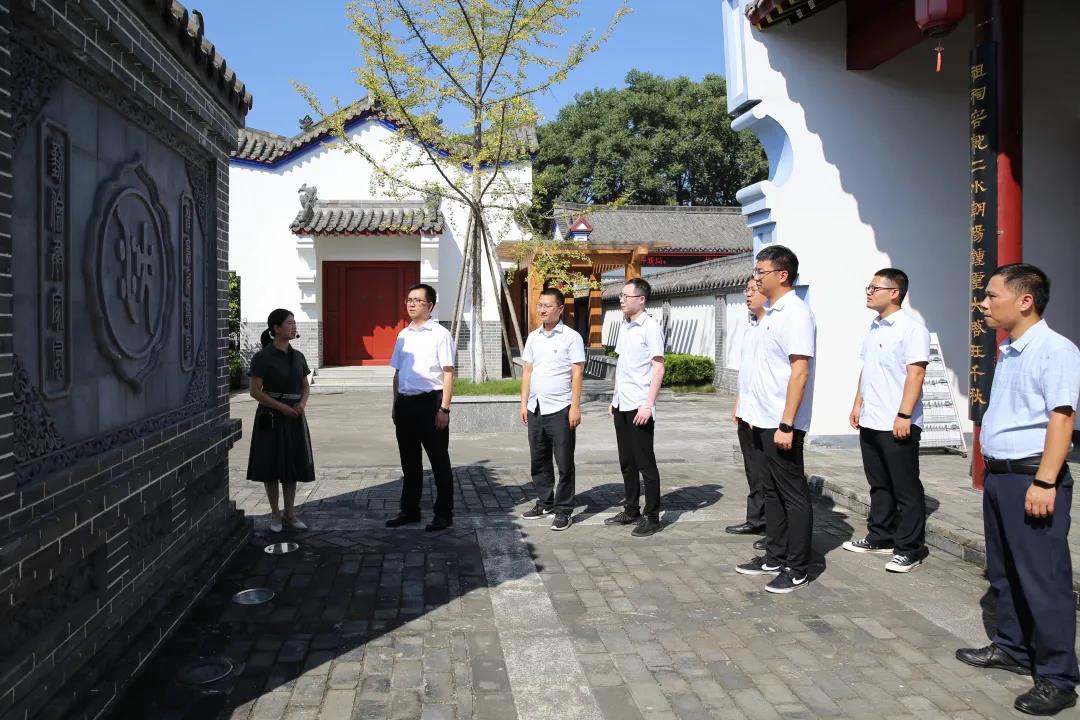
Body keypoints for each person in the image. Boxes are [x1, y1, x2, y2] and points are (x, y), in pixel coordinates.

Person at [956, 264, 1080, 717]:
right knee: (1004, 571)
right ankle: (1012, 647)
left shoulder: (1055, 349)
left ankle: (1058, 678)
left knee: (1043, 580)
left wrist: (1045, 481)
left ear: (1025, 300)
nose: (983, 303)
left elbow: (1062, 418)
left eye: (992, 295)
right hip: (1002, 478)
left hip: (1032, 479)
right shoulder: (1009, 349)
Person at [734, 245, 816, 594]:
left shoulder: (796, 313)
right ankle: (775, 554)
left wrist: (787, 423)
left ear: (782, 275)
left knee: (792, 494)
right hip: (760, 418)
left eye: (761, 271)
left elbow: (800, 372)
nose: (756, 277)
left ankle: (797, 567)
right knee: (770, 491)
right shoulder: (771, 314)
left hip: (781, 423)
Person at [843, 268, 931, 573]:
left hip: (898, 422)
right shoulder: (874, 327)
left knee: (905, 487)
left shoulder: (912, 329)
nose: (869, 292)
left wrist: (905, 414)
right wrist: (858, 403)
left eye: (874, 288)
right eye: (868, 287)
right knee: (878, 484)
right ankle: (880, 536)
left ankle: (910, 548)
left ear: (895, 293)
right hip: (872, 419)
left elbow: (916, 374)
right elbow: (867, 369)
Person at [385, 283, 457, 532]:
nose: (411, 304)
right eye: (409, 300)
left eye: (417, 300)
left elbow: (448, 373)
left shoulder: (440, 334)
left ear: (430, 305)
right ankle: (409, 510)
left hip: (430, 404)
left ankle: (444, 514)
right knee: (409, 462)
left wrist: (444, 409)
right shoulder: (403, 335)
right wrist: (395, 404)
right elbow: (397, 372)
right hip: (405, 405)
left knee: (439, 462)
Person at [518, 288, 586, 531]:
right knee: (539, 460)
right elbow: (527, 371)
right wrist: (523, 403)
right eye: (540, 305)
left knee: (564, 462)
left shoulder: (571, 337)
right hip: (536, 407)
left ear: (560, 309)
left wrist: (575, 407)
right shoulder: (533, 337)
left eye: (547, 305)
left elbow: (577, 373)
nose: (542, 310)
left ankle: (564, 509)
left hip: (561, 408)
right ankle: (545, 502)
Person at [604, 277, 666, 537]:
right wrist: (614, 398)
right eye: (621, 296)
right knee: (627, 462)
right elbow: (623, 366)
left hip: (640, 406)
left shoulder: (650, 327)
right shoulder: (626, 325)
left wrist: (648, 405)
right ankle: (631, 509)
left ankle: (652, 516)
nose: (621, 300)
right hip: (622, 403)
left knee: (645, 463)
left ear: (641, 300)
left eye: (625, 296)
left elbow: (658, 367)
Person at [247, 309, 315, 533]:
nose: (294, 327)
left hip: (294, 415)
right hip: (271, 418)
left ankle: (290, 513)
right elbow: (255, 391)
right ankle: (275, 514)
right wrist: (282, 407)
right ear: (276, 328)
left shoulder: (298, 357)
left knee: (291, 465)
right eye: (289, 323)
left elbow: (305, 386)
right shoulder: (262, 357)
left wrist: (301, 404)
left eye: (295, 323)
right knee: (271, 466)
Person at [727, 278, 768, 551]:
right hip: (747, 409)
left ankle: (773, 527)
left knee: (767, 473)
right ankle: (756, 518)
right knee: (752, 469)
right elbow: (748, 373)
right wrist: (739, 403)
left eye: (753, 290)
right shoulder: (751, 328)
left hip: (763, 414)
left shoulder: (772, 327)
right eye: (747, 290)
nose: (748, 295)